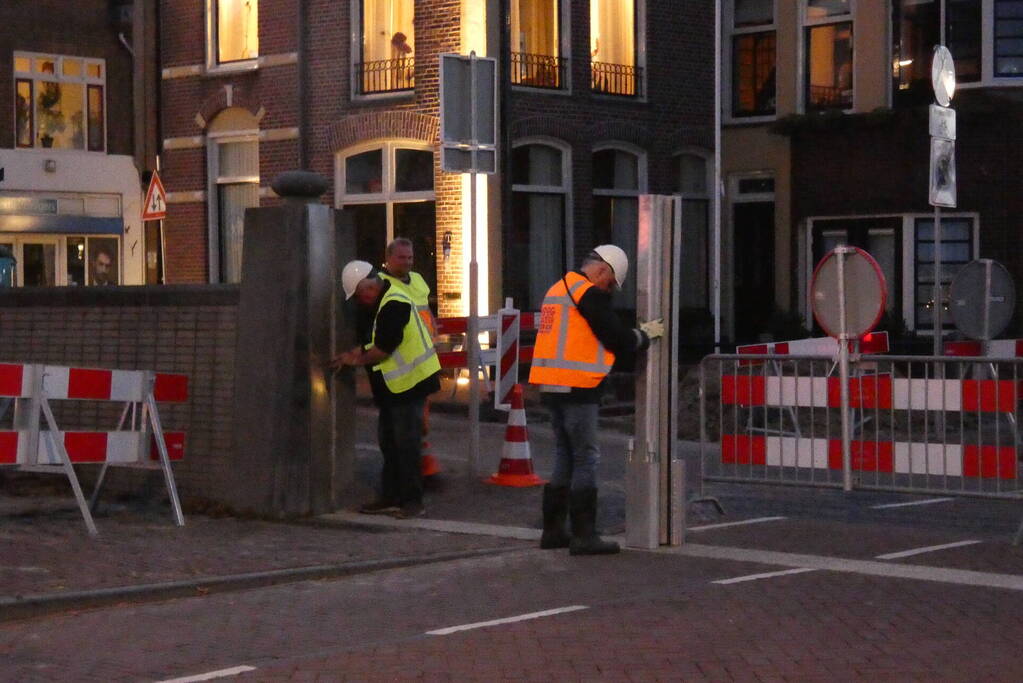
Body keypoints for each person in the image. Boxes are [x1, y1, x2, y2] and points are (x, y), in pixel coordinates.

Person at [528, 244, 664, 555]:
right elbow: (615, 337)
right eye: (611, 282)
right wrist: (644, 335)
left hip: (551, 385)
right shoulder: (588, 294)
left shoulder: (557, 289)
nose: (610, 289)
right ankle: (584, 535)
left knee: (564, 455)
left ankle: (553, 531)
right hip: (578, 387)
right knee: (586, 457)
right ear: (602, 270)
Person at [332, 260, 441, 519]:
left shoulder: (394, 303)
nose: (361, 300)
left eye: (360, 294)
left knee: (406, 446)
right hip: (397, 388)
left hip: (411, 384)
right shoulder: (385, 300)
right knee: (391, 444)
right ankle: (391, 497)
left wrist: (355, 360)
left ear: (369, 286)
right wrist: (353, 352)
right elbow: (375, 340)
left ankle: (412, 502)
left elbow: (382, 349)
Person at [379, 238, 439, 477]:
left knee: (419, 420)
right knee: (402, 426)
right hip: (400, 364)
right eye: (401, 257)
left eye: (410, 257)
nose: (407, 262)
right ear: (388, 258)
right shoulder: (382, 284)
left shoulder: (418, 280)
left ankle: (418, 469)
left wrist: (433, 331)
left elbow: (426, 312)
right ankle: (409, 475)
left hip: (423, 360)